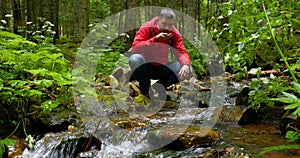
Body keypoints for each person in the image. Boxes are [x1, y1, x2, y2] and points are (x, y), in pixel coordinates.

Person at [129, 8, 192, 100]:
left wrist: (185, 64)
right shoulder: (147, 27)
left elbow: (181, 51)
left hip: (162, 67)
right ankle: (145, 89)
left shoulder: (174, 33)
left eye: (170, 25)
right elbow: (135, 48)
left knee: (188, 69)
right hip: (146, 67)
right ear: (158, 20)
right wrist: (155, 39)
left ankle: (159, 87)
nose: (167, 28)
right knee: (134, 59)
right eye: (164, 24)